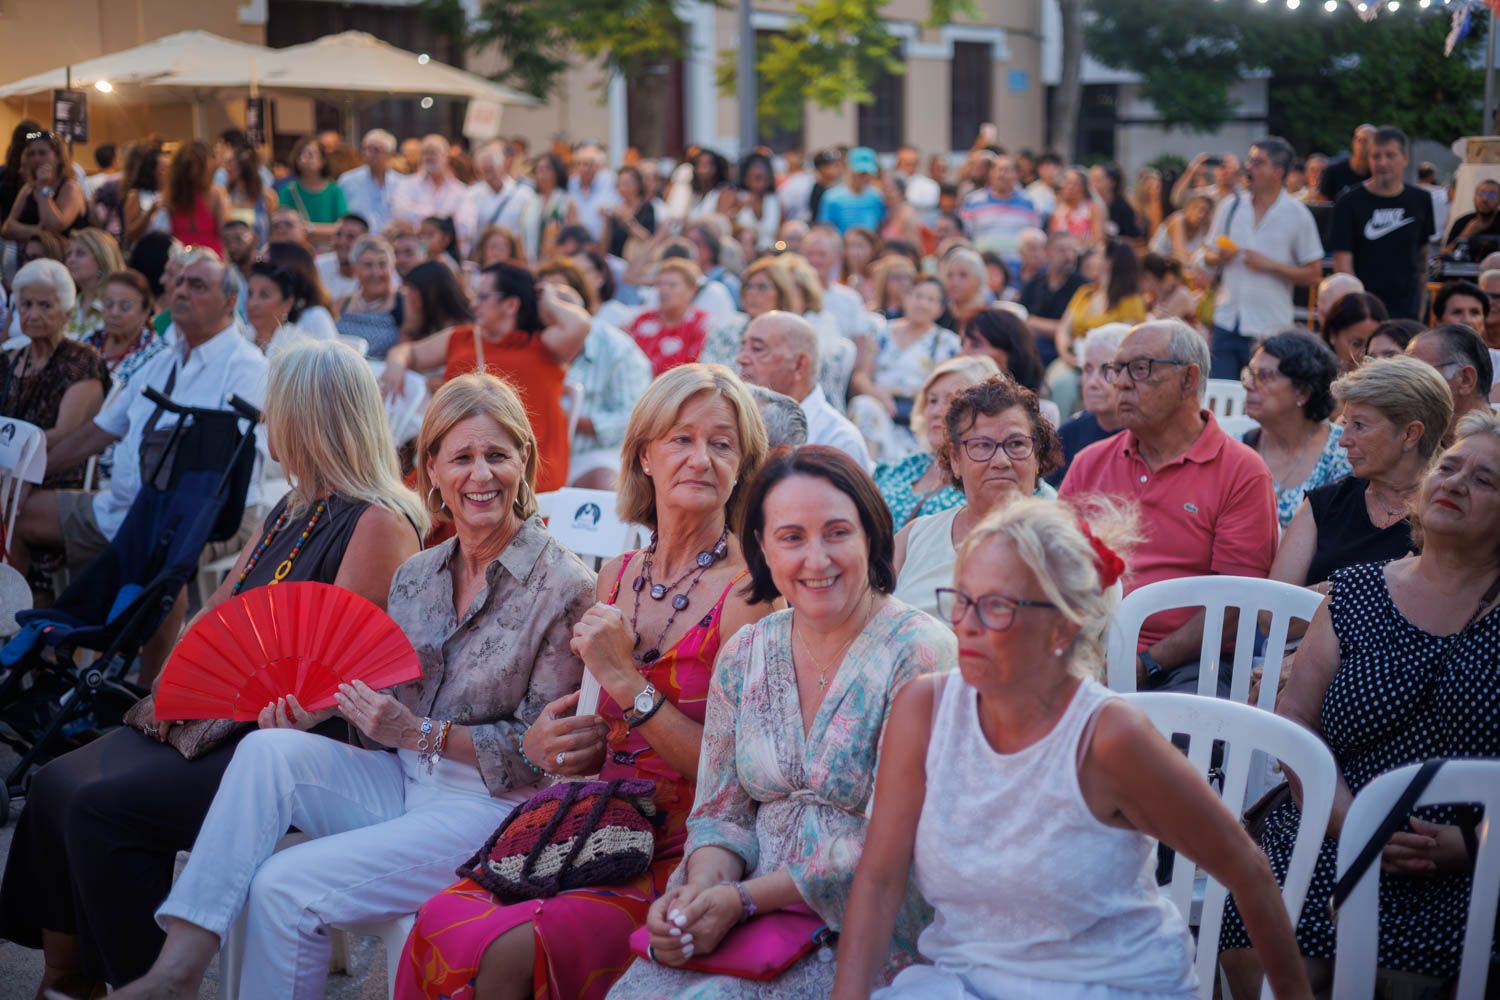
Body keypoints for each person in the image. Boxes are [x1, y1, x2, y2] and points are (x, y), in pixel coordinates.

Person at [104, 372, 595, 999]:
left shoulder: (563, 585)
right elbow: (387, 704)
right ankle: (182, 960)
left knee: (282, 885)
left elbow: (544, 757)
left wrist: (417, 732)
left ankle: (181, 975)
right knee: (267, 749)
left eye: (497, 455)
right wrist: (322, 713)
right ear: (432, 469)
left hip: (492, 809)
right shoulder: (418, 575)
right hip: (404, 778)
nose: (481, 475)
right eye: (462, 457)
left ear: (523, 459)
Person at [0, 340, 423, 996]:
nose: (267, 420)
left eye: (277, 406)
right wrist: (184, 674)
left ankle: (147, 983)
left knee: (105, 808)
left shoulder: (377, 524)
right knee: (54, 782)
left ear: (310, 418)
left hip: (292, 741)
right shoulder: (292, 508)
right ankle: (65, 981)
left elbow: (338, 669)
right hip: (221, 717)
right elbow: (219, 610)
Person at [835, 499, 1312, 1000]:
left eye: (997, 606)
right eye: (962, 598)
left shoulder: (1108, 738)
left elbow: (1247, 869)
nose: (966, 624)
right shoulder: (925, 710)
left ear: (1063, 627)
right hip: (967, 981)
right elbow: (880, 880)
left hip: (1104, 985)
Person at [397, 364, 772, 999]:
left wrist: (626, 679)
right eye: (681, 439)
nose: (700, 458)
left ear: (742, 467)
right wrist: (546, 745)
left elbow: (738, 775)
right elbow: (583, 739)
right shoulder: (617, 574)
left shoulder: (749, 595)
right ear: (646, 456)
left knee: (507, 950)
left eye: (721, 443)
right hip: (591, 821)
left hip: (682, 847)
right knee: (441, 918)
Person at [608, 446, 957, 998]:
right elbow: (720, 812)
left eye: (837, 533)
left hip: (862, 919)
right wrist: (699, 895)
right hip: (741, 909)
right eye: (792, 537)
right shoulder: (747, 651)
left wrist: (745, 900)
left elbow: (895, 841)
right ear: (763, 550)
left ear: (872, 537)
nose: (816, 560)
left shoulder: (920, 652)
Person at [1219, 409, 1500, 998]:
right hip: (1331, 828)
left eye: (1484, 480)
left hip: (1474, 859)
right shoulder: (1356, 591)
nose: (1454, 483)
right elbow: (1297, 721)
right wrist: (1353, 822)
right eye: (1450, 467)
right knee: (1271, 950)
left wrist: (1472, 845)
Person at [7, 250, 267, 583]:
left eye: (197, 285)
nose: (182, 291)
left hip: (205, 515)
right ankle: (23, 609)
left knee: (162, 547)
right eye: (180, 282)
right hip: (123, 508)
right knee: (17, 514)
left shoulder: (246, 367)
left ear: (229, 302)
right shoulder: (161, 362)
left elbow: (227, 468)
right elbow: (95, 434)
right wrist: (27, 478)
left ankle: (133, 617)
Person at [1060, 320, 1278, 695]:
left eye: (1140, 368)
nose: (1121, 382)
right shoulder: (1090, 462)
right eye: (1117, 369)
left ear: (1188, 379)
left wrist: (1146, 663)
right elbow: (1053, 566)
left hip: (1190, 662)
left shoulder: (1241, 471)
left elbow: (1234, 605)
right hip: (1089, 646)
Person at [382, 262, 591, 493]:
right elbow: (408, 352)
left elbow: (580, 324)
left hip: (527, 471)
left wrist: (548, 297)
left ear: (511, 305)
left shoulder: (543, 344)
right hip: (458, 462)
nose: (473, 304)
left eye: (483, 297)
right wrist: (396, 363)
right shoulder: (462, 338)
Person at [1269, 355, 1449, 595]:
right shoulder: (1325, 504)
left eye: (1359, 425)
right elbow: (1271, 609)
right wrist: (1364, 584)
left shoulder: (1446, 515)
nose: (1343, 440)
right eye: (1345, 424)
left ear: (1410, 434)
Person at [892, 374, 1061, 618]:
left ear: (1036, 456)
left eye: (1016, 444)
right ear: (955, 460)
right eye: (982, 445)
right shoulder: (914, 539)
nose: (1001, 461)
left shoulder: (1064, 549)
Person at [1201, 137, 1325, 379]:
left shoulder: (1297, 214)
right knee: (1221, 392)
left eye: (1258, 162)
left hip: (1271, 328)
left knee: (1264, 397)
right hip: (1227, 321)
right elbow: (1206, 256)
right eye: (1249, 160)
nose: (1248, 167)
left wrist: (1270, 265)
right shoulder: (1230, 206)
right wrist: (1219, 257)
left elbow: (1314, 273)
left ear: (1278, 171)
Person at [532, 257, 653, 488]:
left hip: (591, 456)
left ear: (580, 302)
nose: (550, 305)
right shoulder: (528, 342)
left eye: (560, 297)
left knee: (604, 479)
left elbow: (635, 418)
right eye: (542, 297)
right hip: (535, 454)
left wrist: (571, 420)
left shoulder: (617, 348)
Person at [0, 258, 110, 491]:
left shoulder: (81, 360)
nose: (33, 314)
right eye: (26, 304)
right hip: (6, 470)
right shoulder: (10, 357)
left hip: (54, 476)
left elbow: (64, 434)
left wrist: (11, 458)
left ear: (67, 313)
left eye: (45, 306)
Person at [1240, 331, 1352, 529]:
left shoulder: (1343, 452)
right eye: (1249, 374)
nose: (1248, 385)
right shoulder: (1239, 447)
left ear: (1303, 391)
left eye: (1263, 376)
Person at [873, 355, 1001, 526]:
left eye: (951, 400)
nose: (936, 411)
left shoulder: (993, 480)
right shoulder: (902, 467)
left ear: (985, 409)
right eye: (932, 401)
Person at [737, 311, 873, 472]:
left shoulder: (838, 441)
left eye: (757, 349)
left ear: (799, 364)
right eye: (743, 346)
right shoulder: (736, 418)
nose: (741, 358)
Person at [848, 277, 962, 461]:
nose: (922, 303)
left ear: (940, 309)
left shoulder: (947, 342)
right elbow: (860, 376)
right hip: (879, 405)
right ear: (906, 298)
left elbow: (945, 389)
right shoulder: (882, 331)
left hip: (916, 414)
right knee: (865, 406)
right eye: (918, 296)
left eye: (931, 300)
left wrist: (901, 392)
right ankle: (867, 471)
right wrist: (879, 395)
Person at [1331, 127, 1434, 321]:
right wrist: (1359, 312)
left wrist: (1421, 308)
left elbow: (1422, 259)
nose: (1382, 162)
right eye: (1376, 156)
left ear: (1405, 158)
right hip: (1364, 314)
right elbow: (1343, 266)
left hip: (1406, 312)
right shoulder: (1348, 202)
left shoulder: (1421, 200)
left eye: (1390, 155)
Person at [1049, 242, 1147, 420]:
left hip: (1108, 367)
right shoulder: (1084, 293)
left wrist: (1093, 363)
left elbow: (1130, 344)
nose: (1088, 260)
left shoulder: (1131, 302)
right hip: (1072, 359)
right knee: (1056, 380)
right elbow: (1063, 329)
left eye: (1096, 255)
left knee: (1065, 385)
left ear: (1109, 262)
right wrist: (1066, 355)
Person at [1046, 323, 1128, 487]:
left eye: (1107, 370)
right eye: (1088, 369)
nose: (1092, 383)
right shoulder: (1069, 434)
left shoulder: (1144, 437)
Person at [699, 256, 798, 367]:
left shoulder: (795, 336)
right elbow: (706, 370)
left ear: (781, 293)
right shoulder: (726, 331)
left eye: (762, 287)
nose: (752, 293)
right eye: (748, 286)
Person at [1406, 324, 1494, 443]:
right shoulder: (1407, 443)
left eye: (1420, 373)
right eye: (1406, 373)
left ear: (1465, 379)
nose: (1405, 384)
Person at [83, 269, 170, 388]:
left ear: (145, 312)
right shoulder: (89, 341)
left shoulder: (158, 355)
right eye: (108, 304)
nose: (114, 313)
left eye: (125, 307)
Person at [392, 135, 477, 253]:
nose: (429, 157)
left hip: (450, 255)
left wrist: (422, 222)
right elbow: (401, 214)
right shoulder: (406, 184)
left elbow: (466, 227)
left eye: (434, 152)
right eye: (425, 153)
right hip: (414, 253)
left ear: (447, 157)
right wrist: (445, 219)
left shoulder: (461, 191)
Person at [629, 258, 713, 376]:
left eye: (672, 285)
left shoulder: (702, 324)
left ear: (691, 290)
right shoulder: (643, 319)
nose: (664, 290)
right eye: (660, 284)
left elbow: (699, 370)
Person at [961, 155, 1041, 276]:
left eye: (1007, 170)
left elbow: (1034, 236)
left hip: (1018, 271)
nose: (1001, 175)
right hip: (983, 269)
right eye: (998, 170)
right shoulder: (972, 201)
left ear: (1017, 174)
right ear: (990, 173)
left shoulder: (1029, 202)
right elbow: (966, 235)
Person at [1018, 232, 1086, 367]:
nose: (1069, 256)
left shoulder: (1083, 287)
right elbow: (1021, 318)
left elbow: (1074, 328)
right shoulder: (1034, 284)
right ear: (1047, 252)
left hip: (1066, 351)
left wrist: (1034, 323)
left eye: (1072, 250)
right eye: (1062, 250)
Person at [335, 234, 403, 358]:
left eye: (382, 264)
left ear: (392, 268)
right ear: (355, 269)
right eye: (368, 265)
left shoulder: (403, 302)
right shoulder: (343, 302)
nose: (376, 272)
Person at [163, 141, 229, 257]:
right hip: (181, 260)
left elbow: (225, 232)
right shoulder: (172, 195)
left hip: (210, 260)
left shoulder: (215, 193)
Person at [468, 140, 535, 249]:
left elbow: (530, 231)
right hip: (484, 253)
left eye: (490, 171)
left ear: (501, 167)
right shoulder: (472, 194)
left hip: (513, 253)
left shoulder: (524, 195)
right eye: (482, 172)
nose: (487, 177)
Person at [64, 227, 127, 340]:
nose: (71, 260)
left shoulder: (117, 306)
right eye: (69, 254)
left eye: (80, 254)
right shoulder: (67, 306)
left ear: (102, 259)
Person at [338, 129, 399, 234]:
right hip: (356, 239)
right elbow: (340, 216)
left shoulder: (400, 182)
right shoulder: (347, 180)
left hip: (390, 239)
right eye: (366, 149)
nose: (369, 154)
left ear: (390, 154)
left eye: (376, 150)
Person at [399, 259, 473, 342]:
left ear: (431, 293)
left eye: (412, 297)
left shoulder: (462, 330)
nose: (408, 302)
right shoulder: (424, 326)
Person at [817, 146, 887, 234]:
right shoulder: (831, 197)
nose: (863, 177)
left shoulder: (877, 197)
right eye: (859, 172)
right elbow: (825, 228)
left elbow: (880, 225)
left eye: (867, 173)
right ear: (848, 168)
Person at [519, 152, 572, 263]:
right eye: (539, 170)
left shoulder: (566, 201)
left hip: (558, 261)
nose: (542, 175)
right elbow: (523, 235)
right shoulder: (530, 203)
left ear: (557, 172)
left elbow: (572, 236)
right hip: (532, 261)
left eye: (547, 169)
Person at [223, 144, 278, 248]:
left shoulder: (267, 197)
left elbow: (273, 231)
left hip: (259, 252)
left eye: (230, 162)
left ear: (242, 167)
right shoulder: (224, 195)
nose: (226, 168)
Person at [1320, 290, 1387, 374]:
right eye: (1356, 344)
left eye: (1371, 345)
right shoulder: (1313, 377)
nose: (1364, 355)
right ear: (1332, 334)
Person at [601, 163, 656, 260]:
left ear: (638, 184)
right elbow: (605, 245)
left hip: (637, 260)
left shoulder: (647, 208)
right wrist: (606, 220)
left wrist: (627, 219)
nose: (623, 188)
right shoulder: (615, 207)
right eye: (619, 184)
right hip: (614, 260)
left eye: (627, 184)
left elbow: (648, 238)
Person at [567, 142, 619, 241]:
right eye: (579, 164)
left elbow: (618, 207)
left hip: (604, 241)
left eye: (589, 164)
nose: (584, 168)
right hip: (576, 241)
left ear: (598, 166)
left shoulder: (610, 181)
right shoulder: (570, 183)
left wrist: (607, 210)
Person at [316, 213, 369, 302]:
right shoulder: (318, 267)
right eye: (338, 234)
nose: (342, 242)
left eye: (351, 237)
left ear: (365, 241)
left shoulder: (376, 273)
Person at [1152, 192, 1214, 266]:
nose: (1202, 215)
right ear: (1188, 208)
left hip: (1180, 267)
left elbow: (1209, 252)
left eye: (1206, 212)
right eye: (1200, 209)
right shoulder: (1177, 220)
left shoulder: (1205, 225)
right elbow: (1181, 256)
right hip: (1157, 265)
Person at [1317, 123, 1375, 202]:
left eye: (1366, 141)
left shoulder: (1377, 174)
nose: (1361, 144)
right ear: (1353, 142)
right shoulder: (1333, 172)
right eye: (1358, 140)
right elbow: (1322, 204)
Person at [939, 246, 992, 332]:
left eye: (963, 275)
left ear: (978, 279)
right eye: (949, 275)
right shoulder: (939, 314)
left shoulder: (990, 317)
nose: (954, 282)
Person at [1046, 168, 1103, 247]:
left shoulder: (1092, 208)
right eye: (1066, 182)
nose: (1069, 187)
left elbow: (1097, 239)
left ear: (1083, 187)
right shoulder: (1058, 208)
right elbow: (1051, 236)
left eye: (1073, 183)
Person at [1441, 177, 1500, 253]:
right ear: (1474, 198)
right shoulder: (1462, 222)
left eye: (1492, 195)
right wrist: (1465, 235)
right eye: (1481, 194)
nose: (1484, 199)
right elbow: (1443, 254)